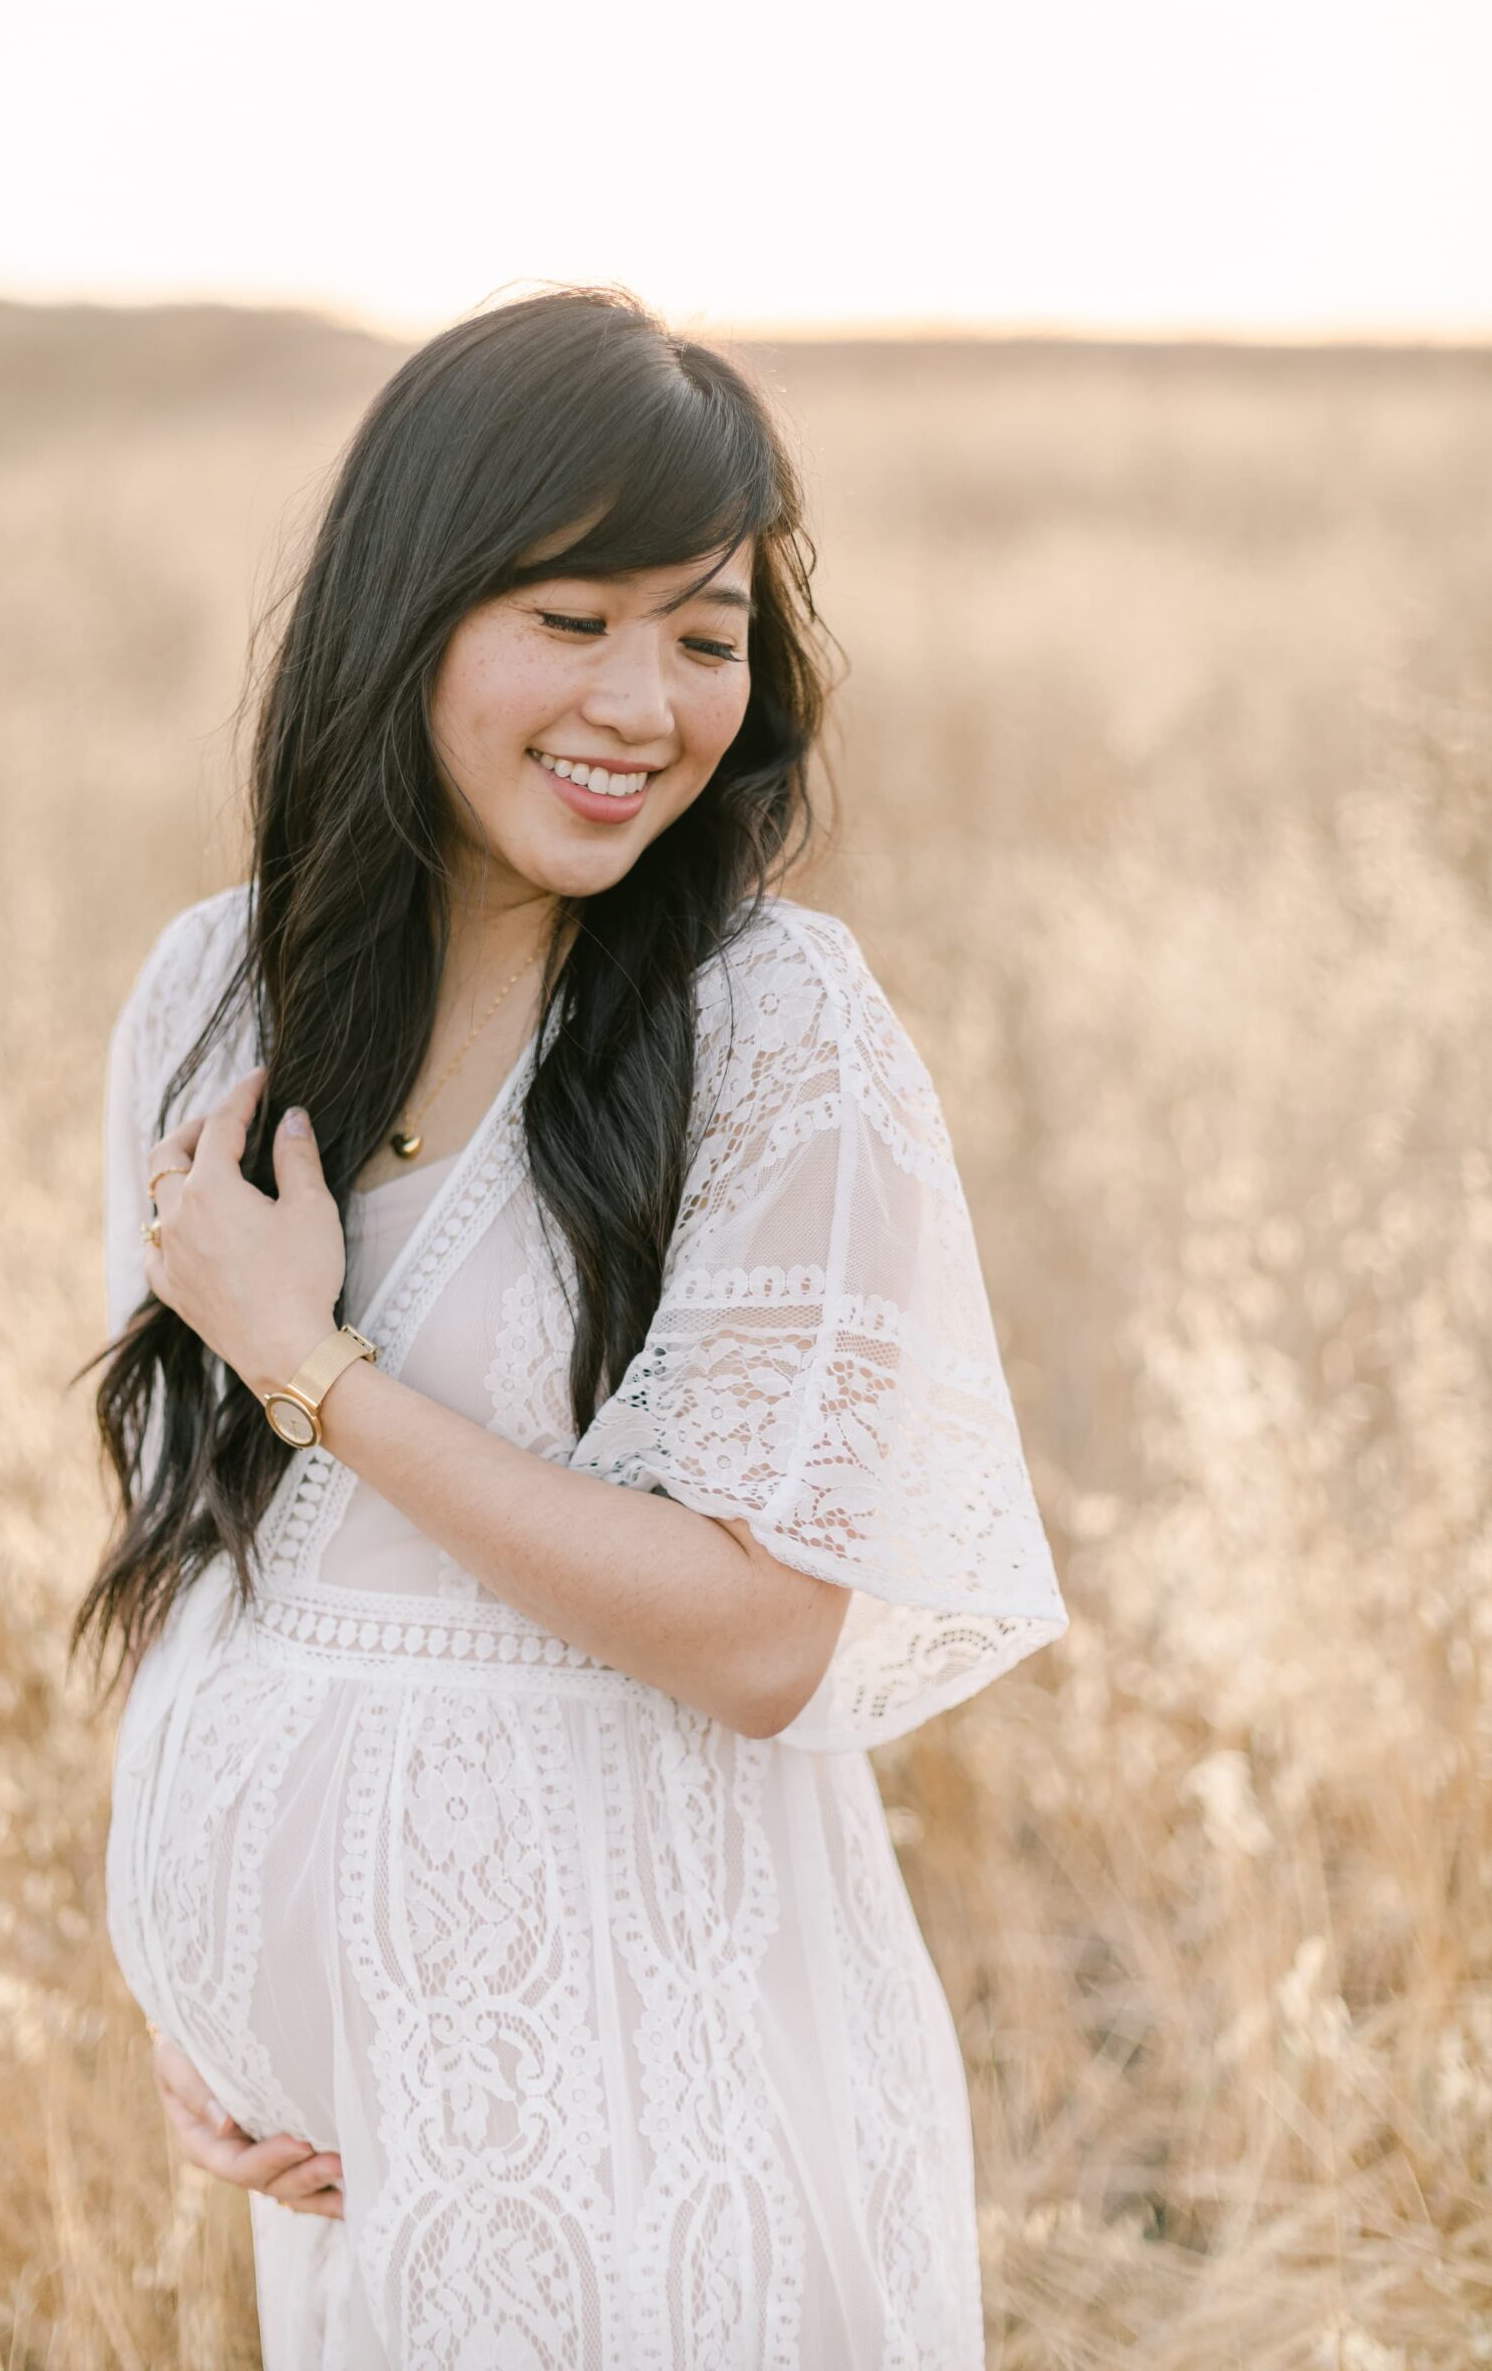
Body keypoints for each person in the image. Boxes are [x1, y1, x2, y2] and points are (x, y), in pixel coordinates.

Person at [73, 282, 1070, 2369]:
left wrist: (320, 1371)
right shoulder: (209, 998)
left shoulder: (773, 1029)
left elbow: (758, 1627)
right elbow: (208, 1563)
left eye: (704, 635)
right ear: (409, 610)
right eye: (571, 616)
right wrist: (191, 1979)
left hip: (659, 2054)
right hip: (354, 2141)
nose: (646, 700)